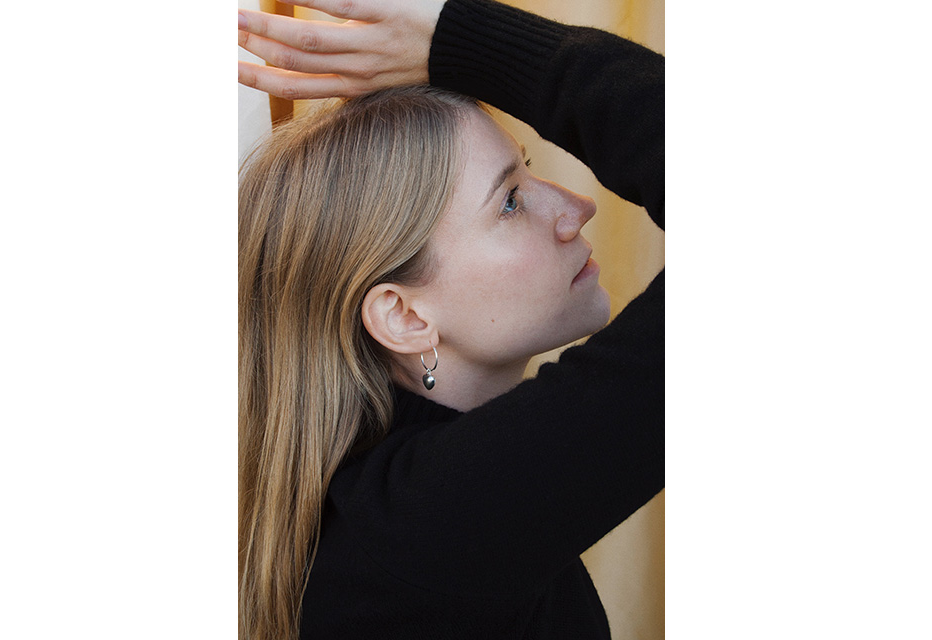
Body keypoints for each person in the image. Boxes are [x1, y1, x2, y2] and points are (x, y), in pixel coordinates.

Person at [237, 0, 664, 638]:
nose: (577, 206)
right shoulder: (429, 523)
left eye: (529, 171)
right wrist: (465, 44)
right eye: (510, 201)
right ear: (404, 316)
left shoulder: (398, 513)